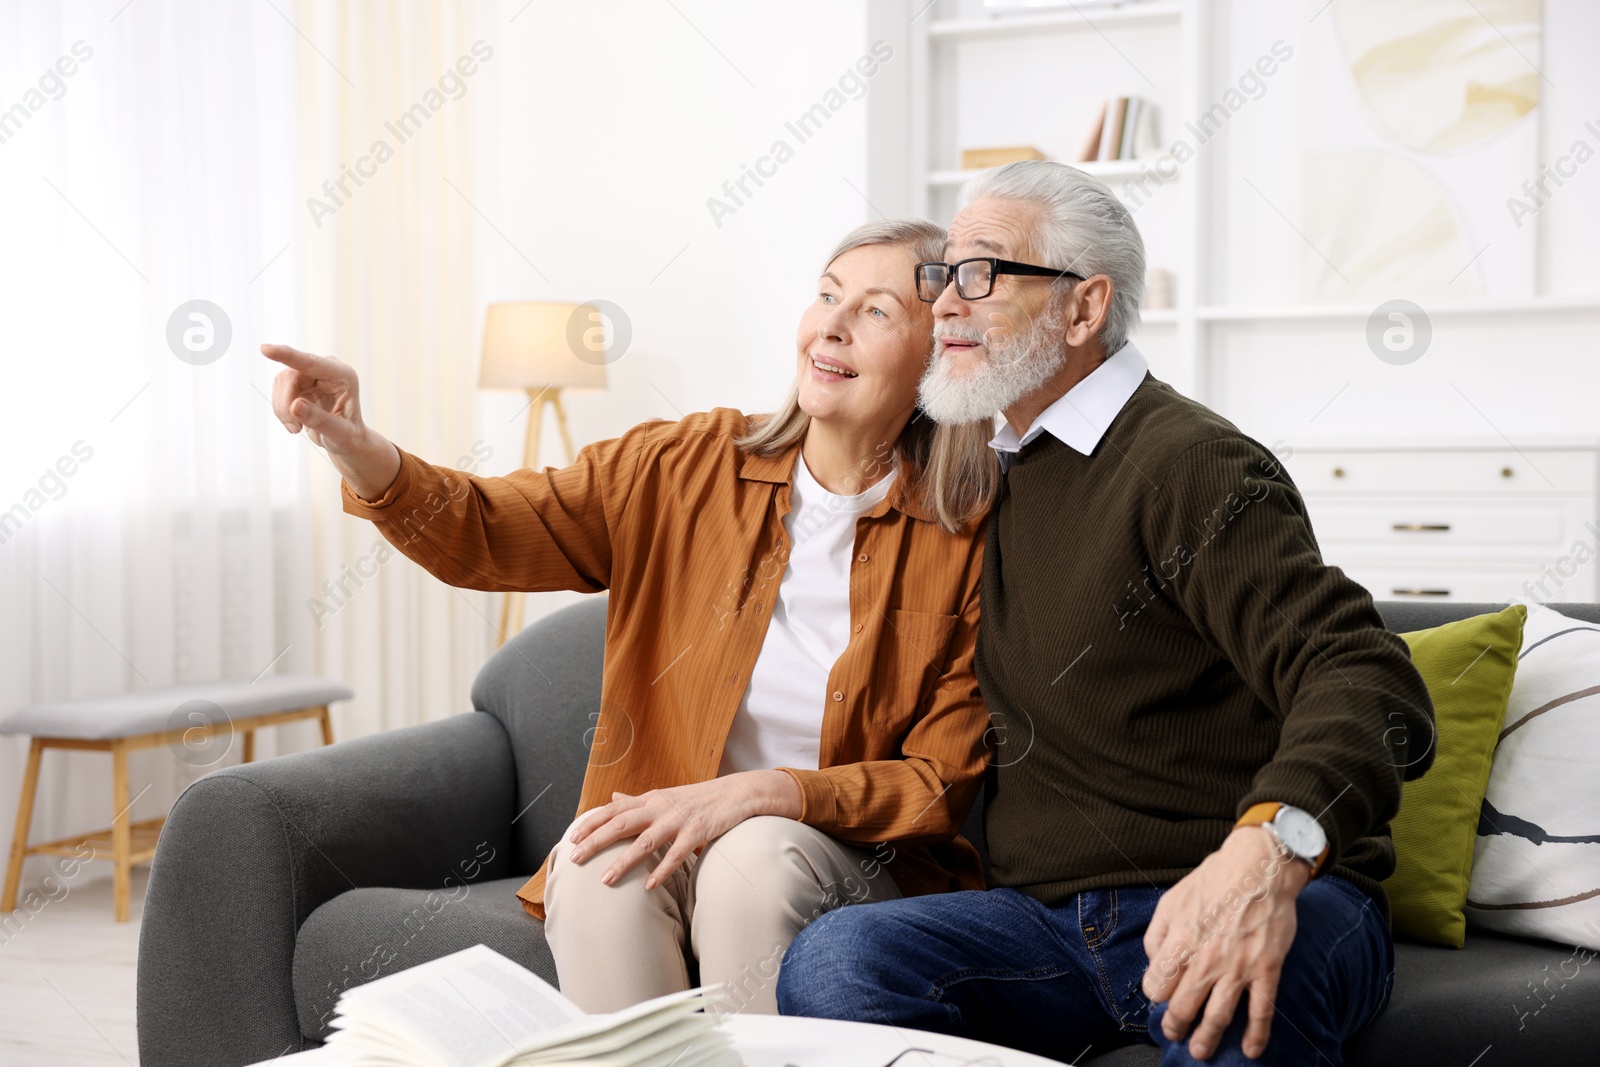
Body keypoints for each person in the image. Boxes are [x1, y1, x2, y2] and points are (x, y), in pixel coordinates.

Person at [777, 161, 1437, 1065]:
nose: (945, 307)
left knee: (1236, 1008)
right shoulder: (986, 467)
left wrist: (1266, 853)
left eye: (982, 275)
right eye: (943, 278)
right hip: (1051, 925)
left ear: (1084, 310)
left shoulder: (1188, 464)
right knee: (839, 958)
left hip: (1245, 884)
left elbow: (1368, 677)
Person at [261, 218, 1003, 1016]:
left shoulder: (968, 533)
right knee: (594, 861)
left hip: (849, 857)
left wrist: (766, 794)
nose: (832, 322)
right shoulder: (686, 465)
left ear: (938, 354)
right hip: (675, 833)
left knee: (748, 859)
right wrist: (355, 444)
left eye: (876, 310)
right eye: (827, 295)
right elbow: (486, 527)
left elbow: (936, 783)